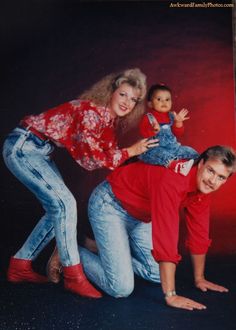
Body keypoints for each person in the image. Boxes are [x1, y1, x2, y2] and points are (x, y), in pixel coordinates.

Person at [2, 68, 158, 298]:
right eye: (123, 94)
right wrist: (131, 150)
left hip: (40, 151)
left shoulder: (108, 121)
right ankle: (73, 275)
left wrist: (148, 138)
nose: (127, 102)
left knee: (57, 209)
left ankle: (20, 265)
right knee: (65, 204)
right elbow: (91, 160)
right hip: (24, 146)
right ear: (111, 91)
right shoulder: (91, 112)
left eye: (134, 100)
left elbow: (111, 156)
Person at [78, 145, 236, 309]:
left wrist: (200, 278)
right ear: (201, 163)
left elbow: (199, 233)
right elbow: (166, 236)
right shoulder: (173, 178)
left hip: (141, 216)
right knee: (120, 287)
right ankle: (70, 253)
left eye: (221, 177)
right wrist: (171, 295)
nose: (212, 181)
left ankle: (98, 248)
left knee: (156, 274)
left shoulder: (203, 189)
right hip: (110, 204)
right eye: (211, 171)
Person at [139, 84, 199, 175]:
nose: (164, 102)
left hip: (173, 148)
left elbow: (178, 133)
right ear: (150, 103)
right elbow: (143, 133)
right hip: (156, 148)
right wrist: (153, 130)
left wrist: (178, 123)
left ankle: (195, 166)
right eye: (159, 99)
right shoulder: (149, 117)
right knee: (160, 155)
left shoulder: (172, 116)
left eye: (167, 99)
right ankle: (177, 166)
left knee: (190, 151)